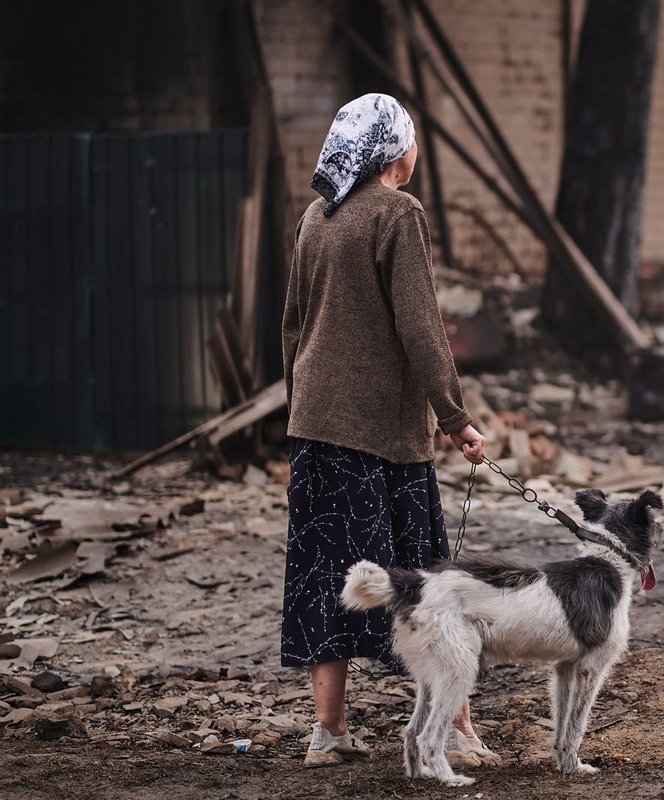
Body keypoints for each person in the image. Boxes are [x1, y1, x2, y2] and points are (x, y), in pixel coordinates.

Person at [280, 93, 496, 769]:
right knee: (424, 585)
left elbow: (293, 326)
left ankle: (328, 734)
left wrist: (303, 406)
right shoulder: (397, 213)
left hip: (316, 430)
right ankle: (457, 729)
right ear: (396, 152)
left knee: (327, 574)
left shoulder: (315, 217)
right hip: (382, 439)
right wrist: (455, 418)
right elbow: (420, 327)